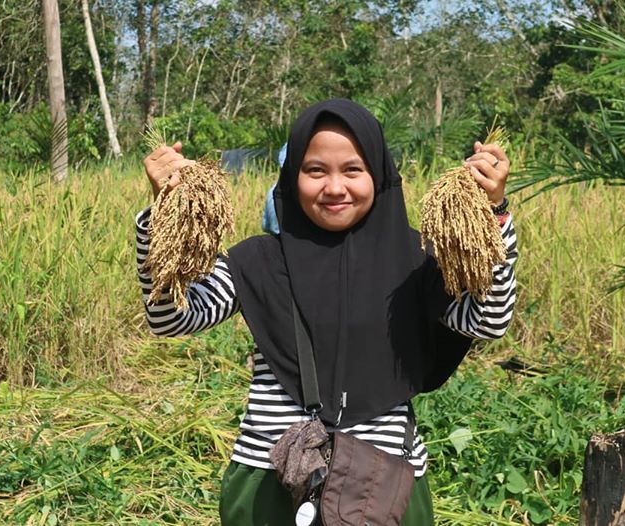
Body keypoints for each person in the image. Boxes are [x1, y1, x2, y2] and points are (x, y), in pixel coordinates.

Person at [137, 99, 517, 525]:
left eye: (353, 170)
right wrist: (166, 215)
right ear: (292, 177)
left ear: (380, 174)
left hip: (383, 484)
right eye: (315, 170)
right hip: (269, 481)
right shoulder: (258, 260)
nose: (335, 188)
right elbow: (171, 319)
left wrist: (492, 215)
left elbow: (488, 319)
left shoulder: (418, 259)